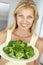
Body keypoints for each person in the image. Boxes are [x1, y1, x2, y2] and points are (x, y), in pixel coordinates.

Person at [0, 0, 43, 65]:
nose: (24, 21)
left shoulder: (39, 42)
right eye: (21, 16)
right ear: (16, 16)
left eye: (29, 17)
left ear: (34, 19)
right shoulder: (3, 35)